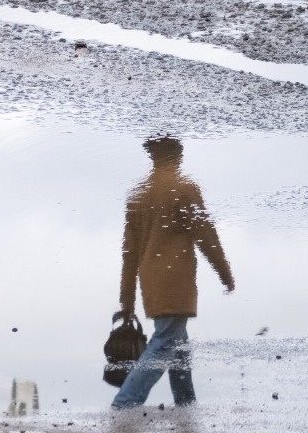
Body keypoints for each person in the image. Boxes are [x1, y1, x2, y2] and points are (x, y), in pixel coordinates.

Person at [111, 134, 234, 410]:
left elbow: (129, 254)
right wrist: (225, 272)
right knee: (166, 341)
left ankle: (186, 405)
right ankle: (124, 404)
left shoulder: (138, 196)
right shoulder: (184, 188)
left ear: (152, 157)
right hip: (175, 278)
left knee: (178, 345)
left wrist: (127, 300)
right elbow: (206, 236)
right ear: (177, 156)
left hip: (150, 281)